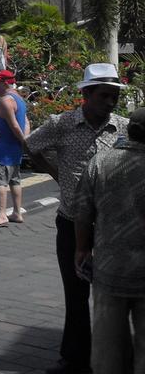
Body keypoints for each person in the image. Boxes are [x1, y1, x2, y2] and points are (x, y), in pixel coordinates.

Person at [26, 62, 129, 374]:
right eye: (103, 96)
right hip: (72, 223)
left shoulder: (123, 128)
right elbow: (31, 147)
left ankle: (114, 356)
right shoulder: (62, 124)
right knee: (76, 293)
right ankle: (74, 358)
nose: (110, 103)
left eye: (114, 97)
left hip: (113, 226)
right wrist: (59, 175)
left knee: (114, 294)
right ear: (86, 94)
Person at [74, 106, 145, 374]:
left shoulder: (100, 162)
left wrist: (82, 250)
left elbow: (82, 212)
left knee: (107, 347)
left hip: (109, 267)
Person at [0, 70, 29, 228]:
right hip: (15, 147)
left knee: (0, 181)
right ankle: (17, 211)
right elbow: (26, 122)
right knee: (15, 179)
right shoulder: (19, 99)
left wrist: (23, 141)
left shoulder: (5, 101)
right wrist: (25, 141)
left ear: (4, 83)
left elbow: (14, 125)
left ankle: (2, 214)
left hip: (3, 147)